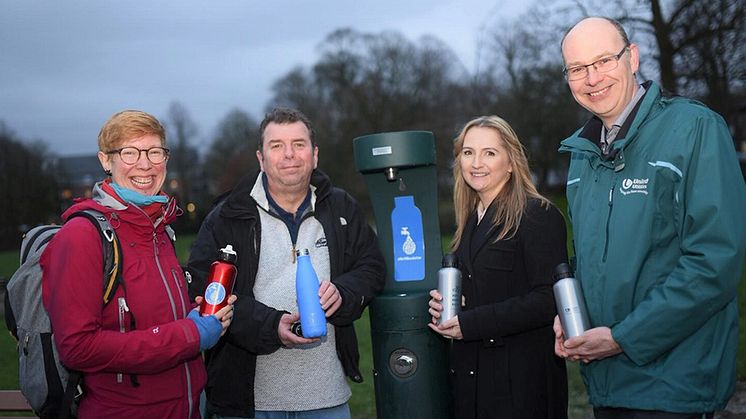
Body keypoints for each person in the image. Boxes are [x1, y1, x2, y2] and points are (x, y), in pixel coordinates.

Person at [555, 16, 746, 418]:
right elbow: (590, 260)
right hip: (606, 383)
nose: (592, 78)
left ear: (633, 58)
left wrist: (624, 337)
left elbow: (714, 264)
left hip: (673, 383)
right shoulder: (581, 156)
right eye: (577, 68)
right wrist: (572, 313)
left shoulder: (695, 128)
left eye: (604, 60)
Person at [187, 107, 385, 418]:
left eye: (299, 144)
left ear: (315, 154)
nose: (289, 154)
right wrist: (268, 325)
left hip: (326, 398)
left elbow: (372, 266)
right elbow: (202, 288)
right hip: (246, 403)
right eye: (276, 146)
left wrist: (344, 292)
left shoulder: (341, 208)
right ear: (261, 158)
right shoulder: (227, 216)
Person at [41, 110, 235, 418]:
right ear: (106, 161)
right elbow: (77, 347)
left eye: (155, 152)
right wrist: (191, 334)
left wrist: (194, 316)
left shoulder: (161, 228)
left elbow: (149, 319)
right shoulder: (82, 236)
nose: (145, 164)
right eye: (129, 152)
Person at [428, 115, 569, 418]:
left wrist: (471, 323)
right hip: (472, 384)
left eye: (489, 153)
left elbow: (548, 300)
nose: (476, 163)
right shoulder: (469, 221)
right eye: (468, 152)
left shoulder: (537, 215)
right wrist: (452, 304)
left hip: (520, 388)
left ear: (510, 162)